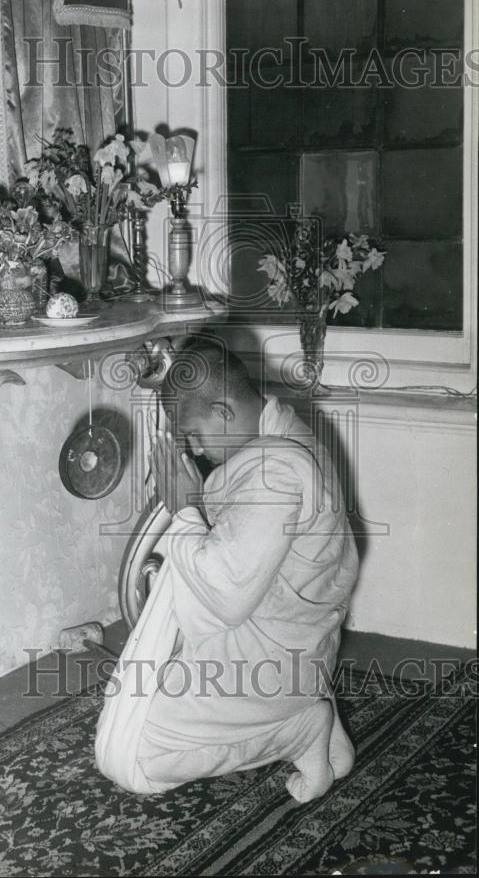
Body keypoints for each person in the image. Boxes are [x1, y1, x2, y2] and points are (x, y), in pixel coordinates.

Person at [95, 336, 359, 802]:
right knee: (142, 685)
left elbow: (227, 596)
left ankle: (298, 728)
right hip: (298, 650)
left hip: (266, 662)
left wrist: (185, 511)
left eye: (193, 433)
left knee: (128, 756)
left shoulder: (270, 472)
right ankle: (310, 709)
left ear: (222, 410)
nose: (195, 447)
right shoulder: (287, 432)